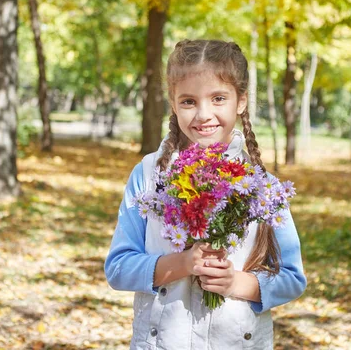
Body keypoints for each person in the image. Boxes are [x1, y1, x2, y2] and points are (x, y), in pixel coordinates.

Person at [104, 39, 306, 350]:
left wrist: (237, 283)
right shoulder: (148, 176)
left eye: (218, 98)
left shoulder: (261, 186)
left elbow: (292, 277)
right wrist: (183, 264)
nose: (203, 114)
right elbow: (118, 268)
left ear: (240, 101)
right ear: (173, 103)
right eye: (188, 101)